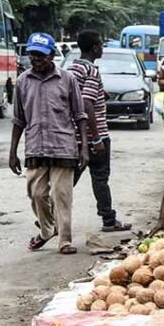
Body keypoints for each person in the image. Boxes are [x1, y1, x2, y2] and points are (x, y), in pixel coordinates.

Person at [8, 32, 89, 254]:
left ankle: (65, 240)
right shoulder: (23, 81)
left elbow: (79, 115)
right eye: (32, 55)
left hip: (63, 145)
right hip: (35, 145)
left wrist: (84, 147)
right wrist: (12, 151)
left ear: (52, 56)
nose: (36, 60)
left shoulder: (67, 79)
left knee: (61, 195)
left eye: (41, 56)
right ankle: (46, 230)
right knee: (36, 194)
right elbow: (18, 119)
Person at [68, 29, 131, 232]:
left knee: (69, 179)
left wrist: (100, 94)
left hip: (74, 135)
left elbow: (77, 97)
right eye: (101, 44)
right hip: (94, 136)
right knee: (100, 178)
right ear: (94, 47)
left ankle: (49, 216)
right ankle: (108, 219)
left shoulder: (73, 69)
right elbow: (86, 104)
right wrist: (95, 138)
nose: (102, 48)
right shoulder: (92, 71)